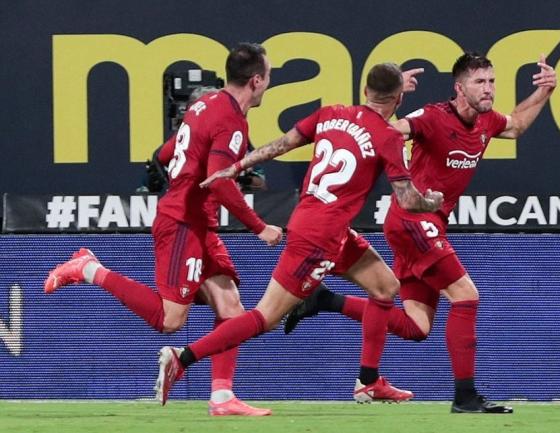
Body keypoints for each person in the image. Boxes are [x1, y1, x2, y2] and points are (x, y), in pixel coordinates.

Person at [282, 52, 558, 414]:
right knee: (466, 297)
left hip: (423, 226)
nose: (488, 88)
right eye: (480, 82)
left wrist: (545, 92)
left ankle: (325, 300)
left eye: (491, 81)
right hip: (413, 221)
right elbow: (388, 131)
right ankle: (465, 397)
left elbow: (518, 124)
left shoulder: (488, 121)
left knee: (416, 327)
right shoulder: (430, 117)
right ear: (459, 88)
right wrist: (397, 99)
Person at [155, 62, 444, 406]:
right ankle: (182, 358)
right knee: (265, 317)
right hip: (319, 239)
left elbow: (281, 144)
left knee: (385, 286)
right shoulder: (390, 137)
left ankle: (367, 381)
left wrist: (237, 166)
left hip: (325, 227)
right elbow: (408, 200)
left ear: (365, 91)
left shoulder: (331, 113)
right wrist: (430, 202)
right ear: (398, 100)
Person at [44, 42, 283, 416]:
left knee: (230, 305)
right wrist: (259, 227)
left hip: (198, 223)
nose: (269, 83)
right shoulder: (231, 120)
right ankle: (88, 268)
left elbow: (166, 153)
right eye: (269, 76)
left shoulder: (204, 105)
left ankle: (222, 397)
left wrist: (182, 178)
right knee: (170, 320)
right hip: (183, 223)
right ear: (256, 80)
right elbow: (219, 181)